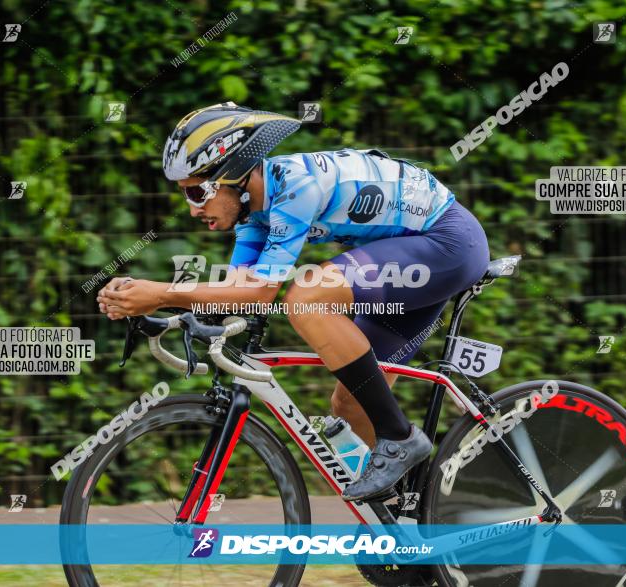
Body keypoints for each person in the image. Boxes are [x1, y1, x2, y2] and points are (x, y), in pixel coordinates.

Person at [97, 102, 490, 501]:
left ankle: (399, 438)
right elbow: (237, 293)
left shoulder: (296, 186)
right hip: (409, 259)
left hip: (448, 244)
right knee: (350, 404)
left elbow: (264, 292)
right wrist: (162, 314)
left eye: (198, 192)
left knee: (306, 298)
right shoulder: (253, 213)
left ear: (231, 174)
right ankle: (411, 516)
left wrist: (162, 292)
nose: (193, 209)